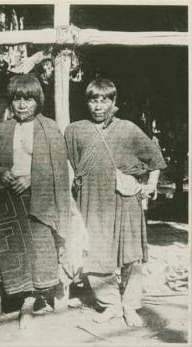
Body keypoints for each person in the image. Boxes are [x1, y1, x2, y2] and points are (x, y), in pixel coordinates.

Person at [64, 78, 166, 327]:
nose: (99, 106)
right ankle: (110, 304)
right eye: (93, 100)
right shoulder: (75, 130)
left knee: (131, 254)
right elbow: (66, 163)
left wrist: (151, 184)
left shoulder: (128, 128)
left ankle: (130, 306)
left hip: (125, 199)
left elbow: (155, 158)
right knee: (96, 253)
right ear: (87, 102)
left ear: (113, 101)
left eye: (104, 100)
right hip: (91, 199)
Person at [0, 74, 70, 329]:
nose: (22, 104)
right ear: (11, 102)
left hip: (39, 203)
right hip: (7, 201)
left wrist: (33, 178)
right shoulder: (2, 130)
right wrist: (1, 173)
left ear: (37, 101)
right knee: (0, 255)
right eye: (17, 99)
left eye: (28, 99)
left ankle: (27, 306)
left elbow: (60, 171)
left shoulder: (50, 129)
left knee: (38, 256)